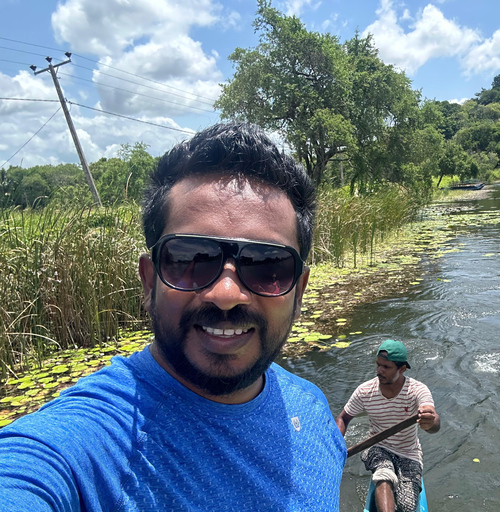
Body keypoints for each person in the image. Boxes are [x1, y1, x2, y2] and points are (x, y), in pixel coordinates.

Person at [0, 123, 347, 511]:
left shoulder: (314, 412)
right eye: (190, 259)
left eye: (268, 265)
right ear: (150, 282)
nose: (227, 295)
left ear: (298, 291)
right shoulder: (83, 446)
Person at [336, 340, 440, 512]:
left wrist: (430, 421)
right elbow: (343, 418)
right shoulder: (365, 391)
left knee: (406, 507)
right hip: (377, 447)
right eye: (378, 365)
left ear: (402, 369)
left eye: (386, 367)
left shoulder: (417, 390)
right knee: (384, 475)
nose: (379, 371)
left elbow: (433, 421)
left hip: (409, 453)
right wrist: (336, 445)